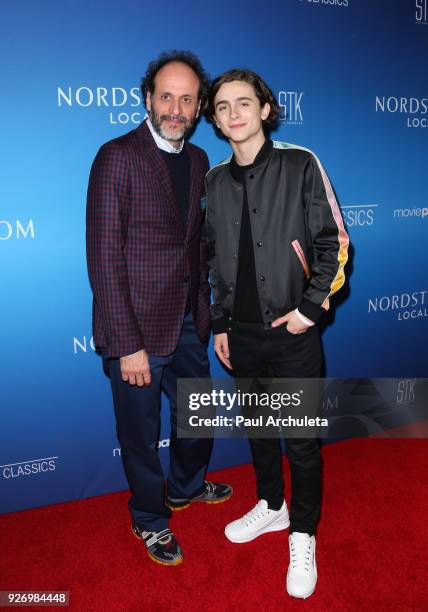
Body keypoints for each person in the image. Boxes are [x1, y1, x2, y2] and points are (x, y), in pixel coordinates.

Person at [204, 69, 349, 598]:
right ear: (215, 120)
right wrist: (219, 322)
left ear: (265, 109)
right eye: (222, 106)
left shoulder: (300, 163)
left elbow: (334, 239)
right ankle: (271, 506)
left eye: (244, 102)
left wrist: (311, 309)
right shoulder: (214, 181)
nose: (234, 113)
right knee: (262, 431)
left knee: (303, 443)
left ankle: (303, 534)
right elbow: (214, 259)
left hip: (292, 331)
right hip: (240, 335)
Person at [86, 51, 232, 567]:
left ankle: (186, 487)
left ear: (197, 108)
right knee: (141, 435)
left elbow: (196, 247)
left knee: (198, 414)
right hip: (137, 329)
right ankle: (149, 519)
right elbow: (104, 258)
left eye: (187, 98)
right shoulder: (116, 156)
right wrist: (127, 345)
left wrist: (211, 319)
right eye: (166, 96)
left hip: (188, 321)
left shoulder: (197, 161)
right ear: (148, 99)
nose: (176, 107)